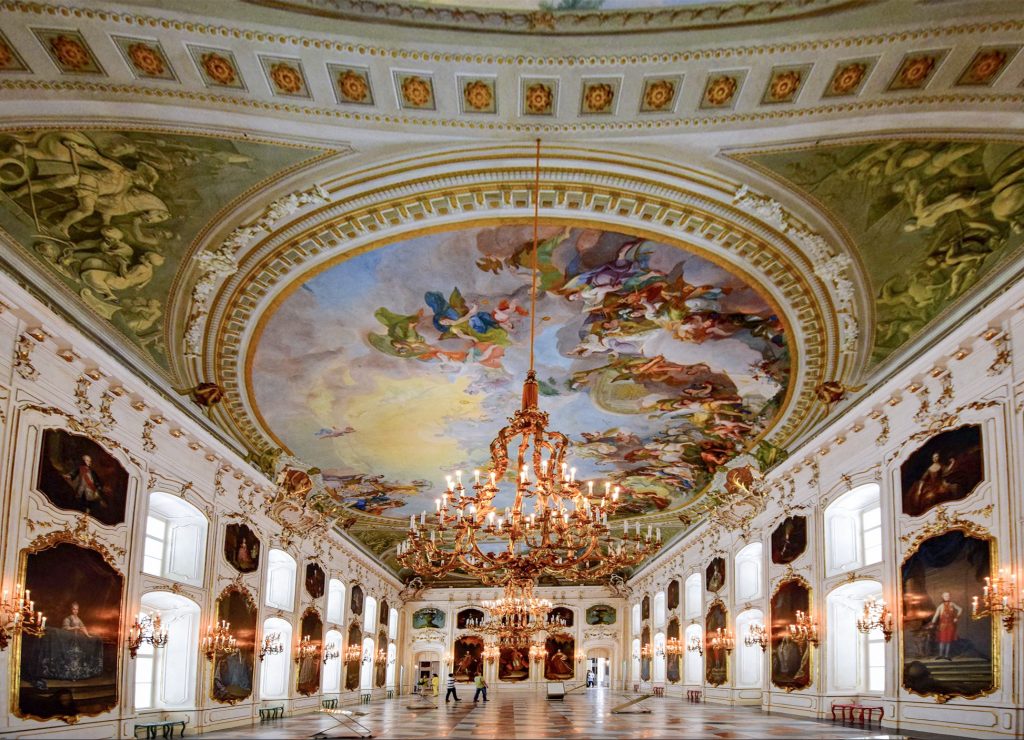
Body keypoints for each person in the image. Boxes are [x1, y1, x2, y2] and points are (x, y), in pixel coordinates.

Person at [929, 591, 963, 660]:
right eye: (945, 596)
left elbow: (960, 609)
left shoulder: (952, 604)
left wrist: (957, 617)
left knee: (948, 641)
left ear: (950, 597)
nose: (947, 597)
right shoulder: (941, 606)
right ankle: (940, 655)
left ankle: (946, 656)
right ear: (943, 597)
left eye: (948, 596)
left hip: (951, 626)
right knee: (942, 641)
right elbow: (936, 615)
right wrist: (932, 623)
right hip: (942, 626)